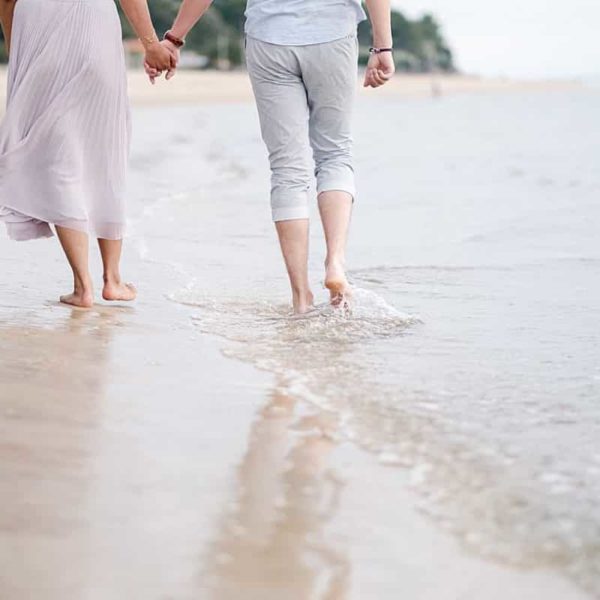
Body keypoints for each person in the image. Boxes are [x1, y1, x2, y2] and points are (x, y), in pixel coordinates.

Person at [153, 0, 395, 314]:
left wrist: (173, 39)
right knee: (334, 154)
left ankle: (300, 296)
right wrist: (382, 48)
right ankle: (335, 262)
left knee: (286, 169)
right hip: (332, 32)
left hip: (269, 36)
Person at [0, 0, 177, 308]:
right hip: (92, 19)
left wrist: (19, 49)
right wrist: (151, 44)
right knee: (104, 148)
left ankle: (84, 286)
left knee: (57, 156)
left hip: (35, 21)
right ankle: (113, 278)